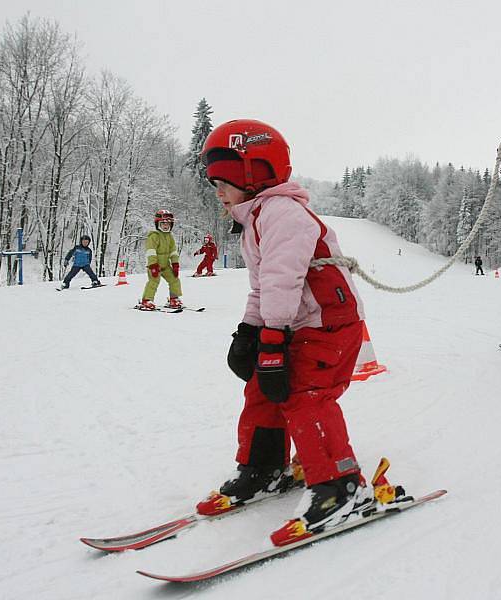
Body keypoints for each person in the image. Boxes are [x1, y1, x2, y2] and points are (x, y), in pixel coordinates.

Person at [193, 119, 377, 546]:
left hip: (328, 323)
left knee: (304, 393)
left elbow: (281, 280)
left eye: (224, 181)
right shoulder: (256, 219)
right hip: (295, 321)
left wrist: (272, 339)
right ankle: (263, 467)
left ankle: (340, 485)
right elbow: (262, 286)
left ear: (253, 173)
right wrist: (249, 333)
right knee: (262, 388)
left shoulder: (283, 213)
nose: (217, 190)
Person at [138, 209, 183, 310]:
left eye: (168, 224)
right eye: (163, 223)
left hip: (166, 265)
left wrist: (175, 264)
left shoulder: (169, 236)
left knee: (174, 280)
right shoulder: (154, 236)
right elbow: (151, 251)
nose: (166, 226)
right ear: (158, 224)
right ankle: (146, 300)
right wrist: (153, 265)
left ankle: (174, 299)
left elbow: (173, 251)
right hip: (155, 266)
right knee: (154, 282)